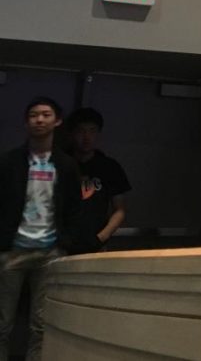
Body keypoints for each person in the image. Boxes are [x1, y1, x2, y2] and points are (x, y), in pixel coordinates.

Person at [0, 96, 83, 360]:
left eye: (46, 114)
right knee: (2, 323)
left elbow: (73, 207)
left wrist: (65, 244)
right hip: (12, 250)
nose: (39, 120)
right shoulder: (9, 161)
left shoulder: (67, 164)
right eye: (34, 115)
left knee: (41, 325)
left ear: (57, 121)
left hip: (50, 252)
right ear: (26, 122)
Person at [65, 107, 131, 253]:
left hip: (96, 243)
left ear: (98, 134)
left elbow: (119, 210)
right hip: (61, 243)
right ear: (72, 133)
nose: (86, 137)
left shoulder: (109, 167)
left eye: (92, 131)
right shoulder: (60, 164)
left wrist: (100, 238)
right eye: (81, 131)